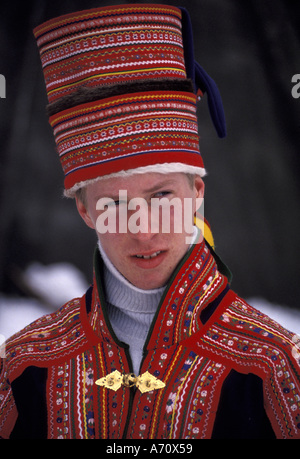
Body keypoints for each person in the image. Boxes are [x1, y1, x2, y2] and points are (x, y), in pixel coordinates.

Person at [0, 4, 299, 440]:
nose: (144, 230)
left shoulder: (273, 365)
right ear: (84, 210)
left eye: (161, 196)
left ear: (197, 193)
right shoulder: (26, 365)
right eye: (116, 206)